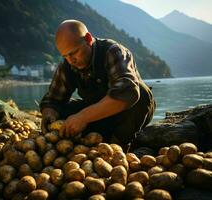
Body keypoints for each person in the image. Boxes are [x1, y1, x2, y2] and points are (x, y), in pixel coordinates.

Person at [40, 19, 155, 148]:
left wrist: (82, 117)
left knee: (141, 93)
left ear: (88, 39)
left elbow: (128, 92)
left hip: (126, 114)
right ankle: (84, 142)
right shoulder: (67, 65)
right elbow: (52, 99)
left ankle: (118, 145)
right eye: (65, 55)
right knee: (61, 110)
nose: (71, 60)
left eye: (74, 53)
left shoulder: (113, 51)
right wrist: (49, 114)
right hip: (96, 115)